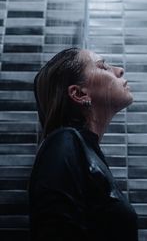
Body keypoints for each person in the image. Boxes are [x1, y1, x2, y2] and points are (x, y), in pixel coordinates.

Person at [28, 47, 138, 241]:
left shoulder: (83, 151)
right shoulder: (64, 143)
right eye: (103, 66)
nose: (119, 70)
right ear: (79, 94)